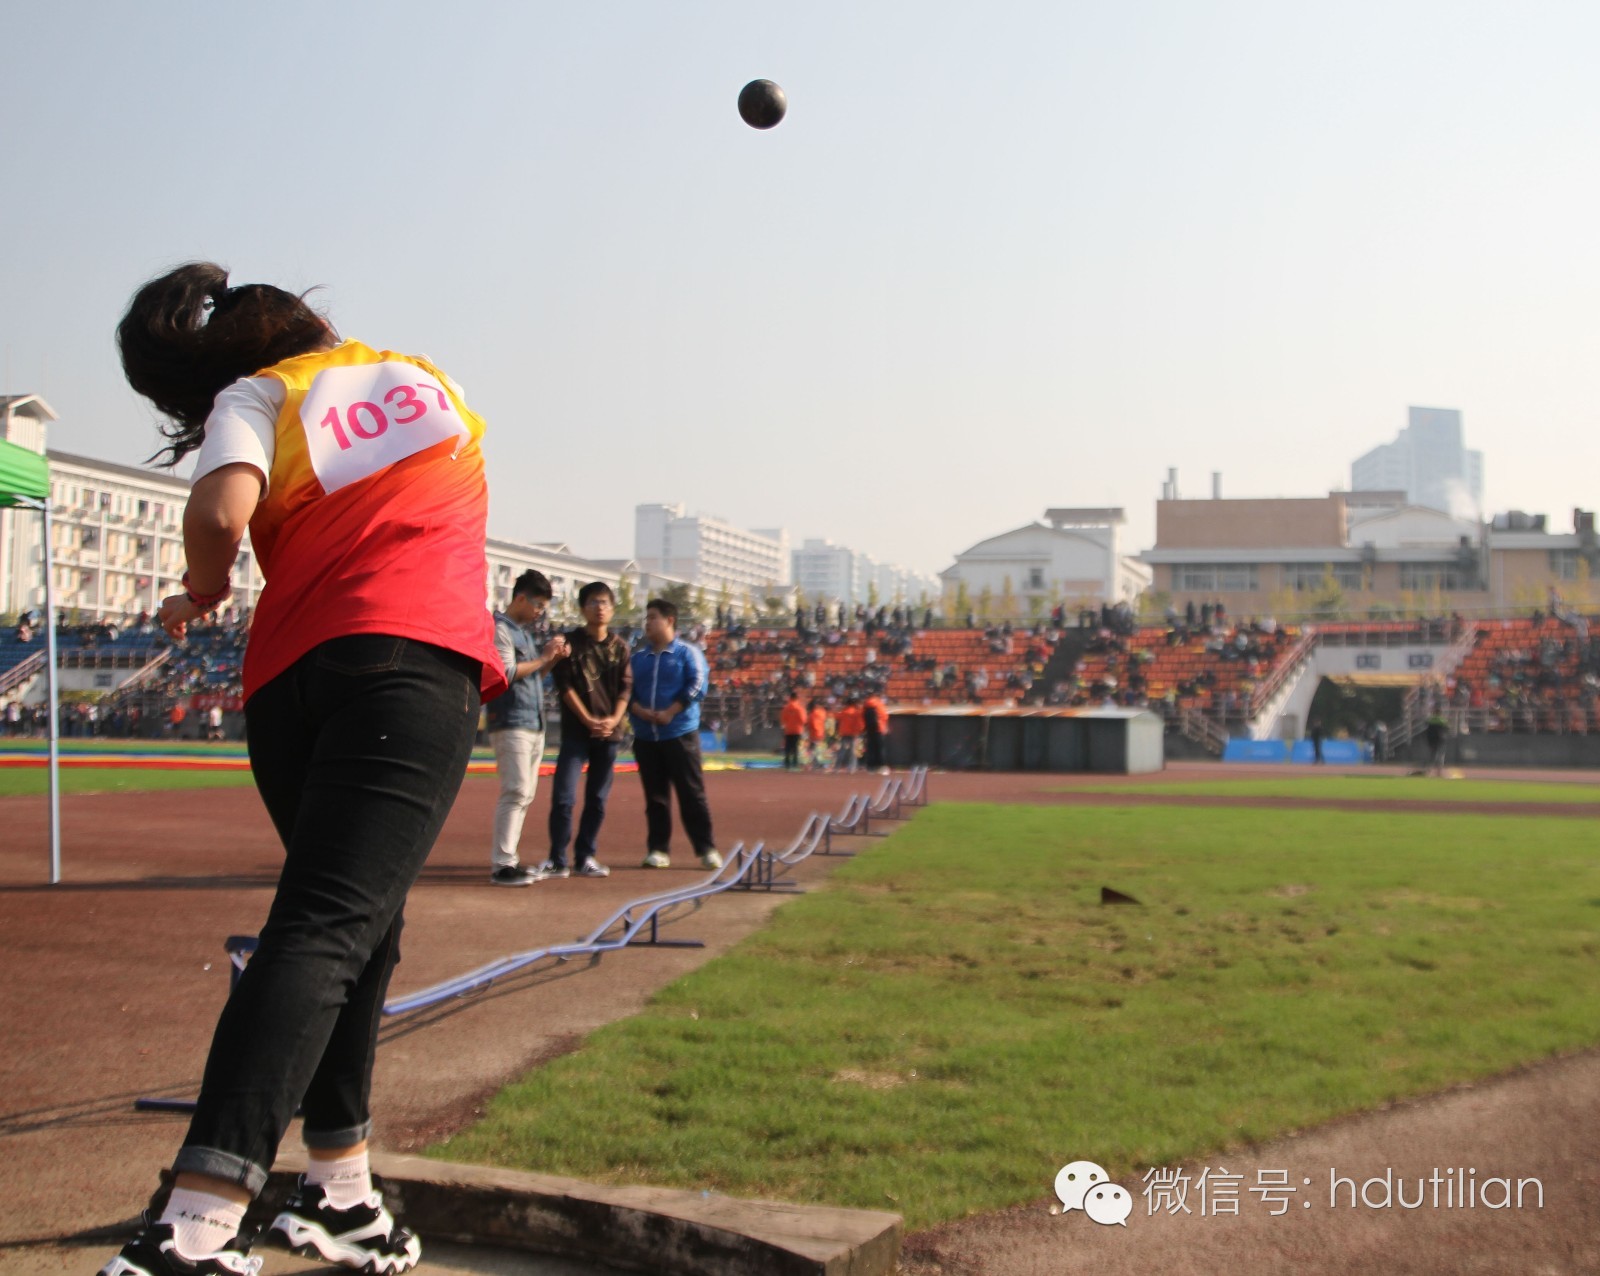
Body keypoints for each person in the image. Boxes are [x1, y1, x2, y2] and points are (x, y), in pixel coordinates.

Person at [100, 262, 505, 1276]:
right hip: (412, 660)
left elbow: (222, 515)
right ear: (317, 324)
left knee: (354, 928)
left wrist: (199, 590)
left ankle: (338, 1190)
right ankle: (193, 1223)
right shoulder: (425, 378)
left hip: (288, 682)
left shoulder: (255, 395)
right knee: (329, 927)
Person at [543, 581, 632, 878]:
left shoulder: (620, 648)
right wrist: (588, 720)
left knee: (597, 799)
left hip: (609, 735)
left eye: (605, 602)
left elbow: (625, 689)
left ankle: (585, 856)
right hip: (577, 733)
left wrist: (613, 720)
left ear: (612, 608)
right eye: (593, 602)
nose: (600, 607)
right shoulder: (569, 643)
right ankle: (557, 859)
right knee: (564, 796)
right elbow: (565, 687)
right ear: (583, 608)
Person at [487, 570, 568, 886]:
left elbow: (531, 674)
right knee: (516, 790)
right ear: (519, 597)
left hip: (532, 721)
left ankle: (508, 860)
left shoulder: (522, 632)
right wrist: (544, 657)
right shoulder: (500, 629)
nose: (539, 612)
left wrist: (551, 660)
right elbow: (505, 672)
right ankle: (502, 864)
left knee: (524, 793)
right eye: (537, 604)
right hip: (511, 720)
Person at [628, 598, 721, 870]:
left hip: (680, 734)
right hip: (646, 736)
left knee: (692, 793)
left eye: (653, 617)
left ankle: (706, 848)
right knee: (655, 797)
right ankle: (658, 849)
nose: (648, 623)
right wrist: (638, 710)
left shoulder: (687, 652)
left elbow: (698, 685)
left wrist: (671, 711)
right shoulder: (638, 659)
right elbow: (625, 691)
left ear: (670, 621)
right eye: (646, 618)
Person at [861, 691, 890, 772]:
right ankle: (882, 766)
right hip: (879, 728)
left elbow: (862, 716)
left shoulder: (865, 704)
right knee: (880, 748)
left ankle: (871, 767)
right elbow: (885, 716)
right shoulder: (879, 704)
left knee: (870, 748)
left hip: (869, 729)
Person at [835, 698, 864, 772]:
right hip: (853, 734)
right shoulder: (856, 712)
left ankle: (837, 767)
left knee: (842, 751)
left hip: (844, 733)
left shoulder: (844, 712)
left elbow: (836, 717)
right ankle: (851, 768)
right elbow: (860, 724)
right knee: (853, 752)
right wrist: (858, 732)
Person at [779, 690, 806, 771]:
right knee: (795, 748)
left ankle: (787, 764)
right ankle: (795, 764)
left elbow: (783, 720)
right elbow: (803, 720)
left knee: (787, 748)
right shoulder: (800, 708)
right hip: (797, 730)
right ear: (797, 698)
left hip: (788, 730)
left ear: (790, 698)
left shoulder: (786, 708)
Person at [807, 698, 829, 770]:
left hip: (814, 733)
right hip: (820, 732)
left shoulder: (812, 714)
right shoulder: (822, 712)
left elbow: (811, 724)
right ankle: (817, 763)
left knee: (814, 749)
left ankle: (815, 764)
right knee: (817, 749)